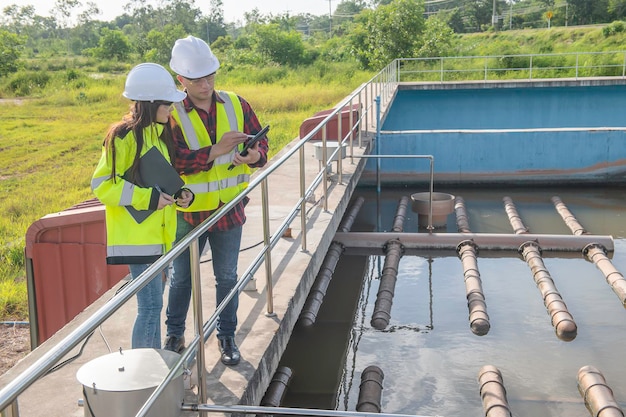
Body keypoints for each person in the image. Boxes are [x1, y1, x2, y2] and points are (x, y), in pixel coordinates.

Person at [164, 35, 269, 366]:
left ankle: (226, 336)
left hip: (229, 210)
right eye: (196, 78)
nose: (205, 83)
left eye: (209, 76)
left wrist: (253, 156)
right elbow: (174, 160)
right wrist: (214, 151)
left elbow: (262, 149)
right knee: (182, 278)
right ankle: (174, 334)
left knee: (226, 277)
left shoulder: (238, 104)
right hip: (188, 213)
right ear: (180, 79)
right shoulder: (171, 114)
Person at [91, 63, 193, 349]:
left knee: (152, 308)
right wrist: (147, 199)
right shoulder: (123, 137)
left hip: (160, 236)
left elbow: (158, 177)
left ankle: (152, 369)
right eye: (167, 104)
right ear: (151, 104)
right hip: (137, 238)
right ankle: (146, 378)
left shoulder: (157, 134)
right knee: (149, 308)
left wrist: (181, 193)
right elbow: (102, 186)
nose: (172, 109)